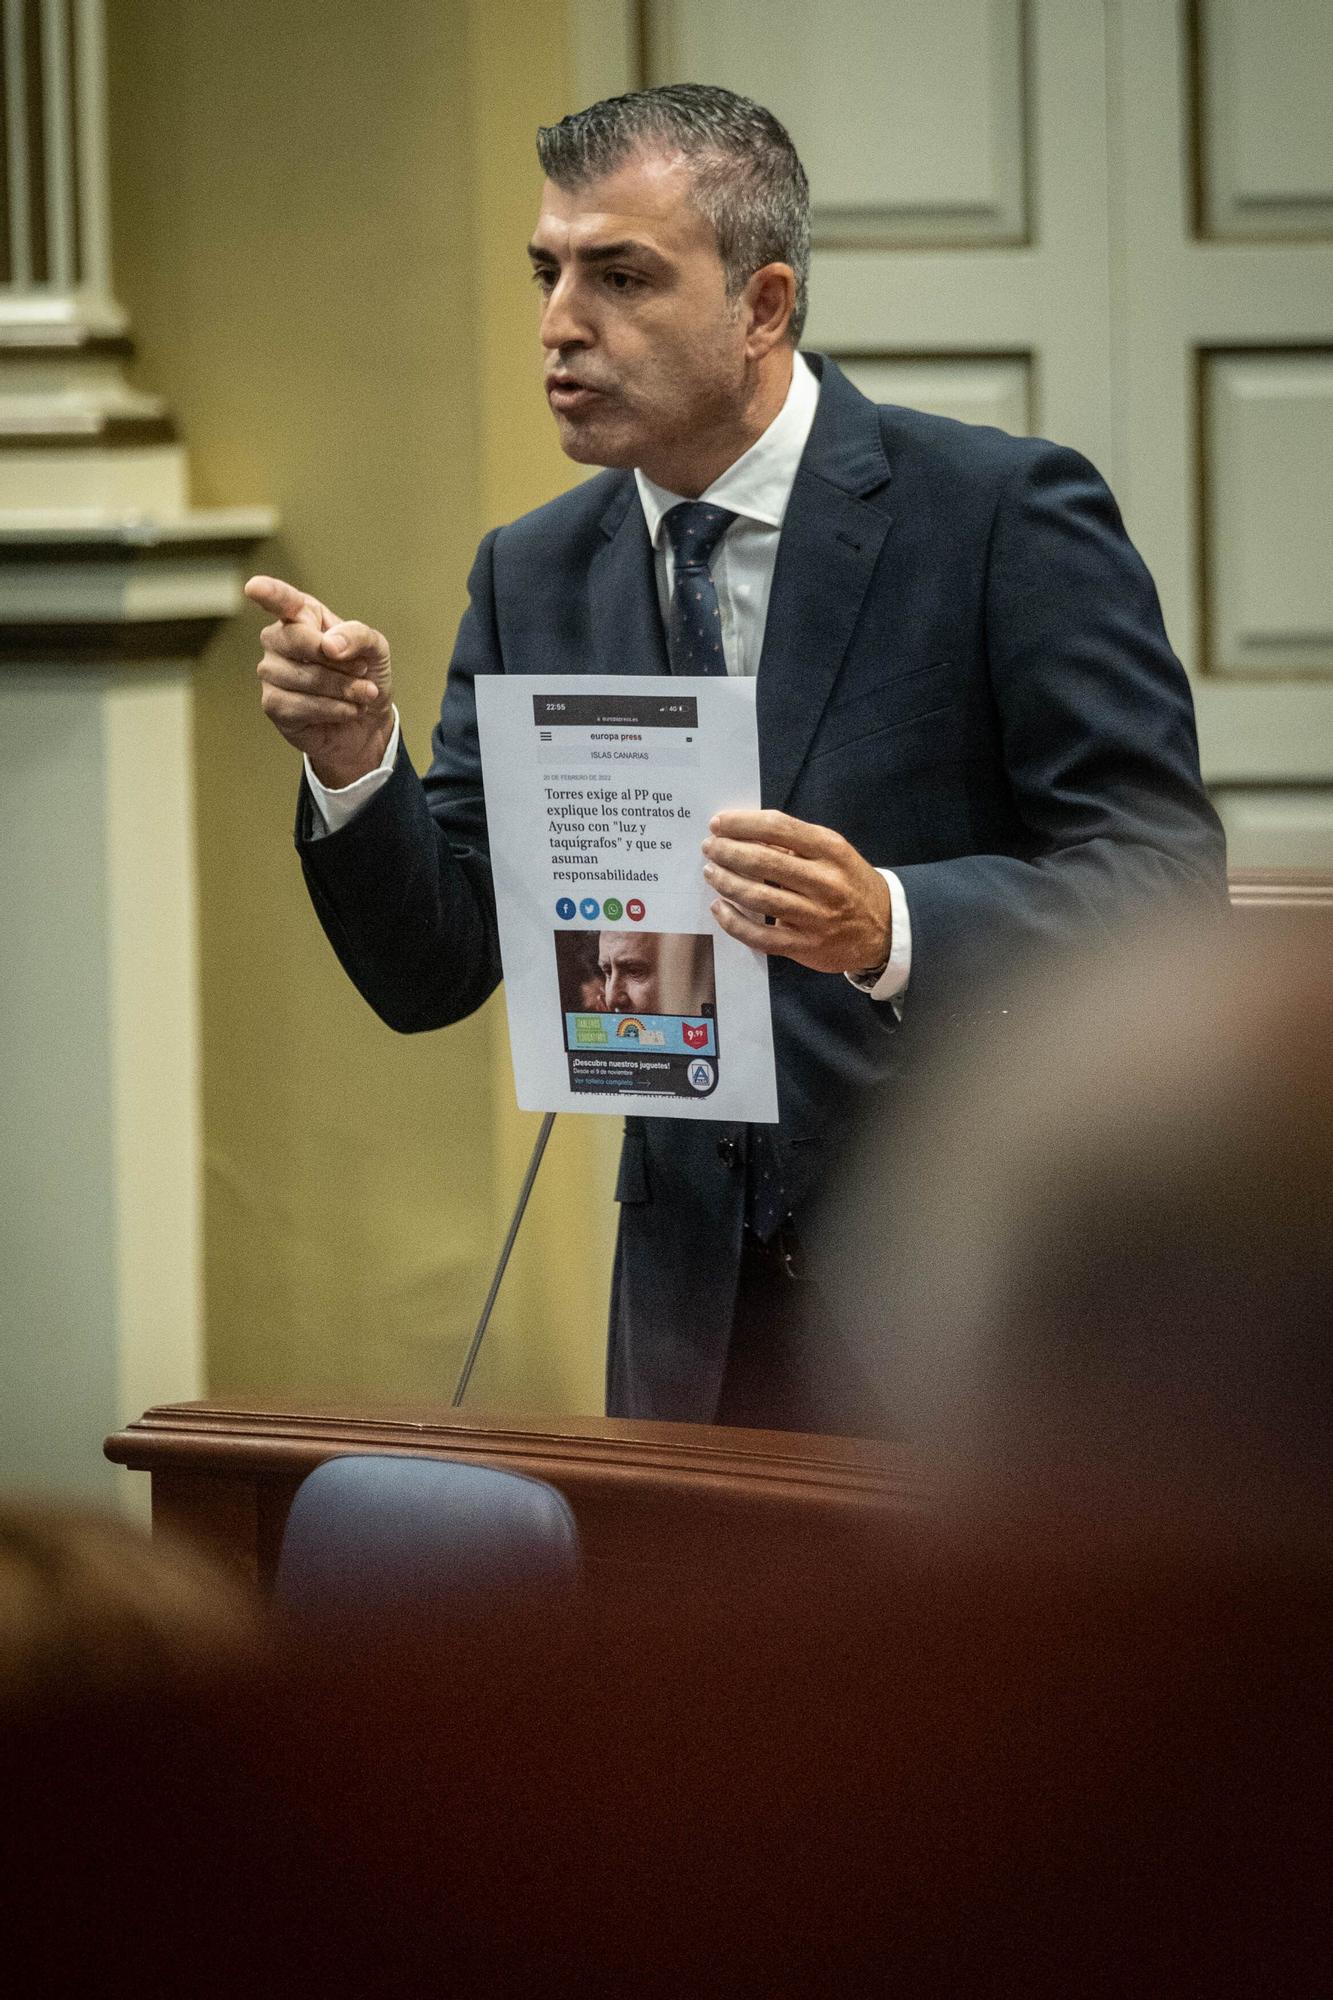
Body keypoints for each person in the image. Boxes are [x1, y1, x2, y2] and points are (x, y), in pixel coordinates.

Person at [248, 84, 1226, 1431]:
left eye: (621, 276)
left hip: (967, 1295)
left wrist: (885, 919)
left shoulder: (996, 514)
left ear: (761, 306)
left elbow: (1160, 885)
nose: (558, 325)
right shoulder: (536, 572)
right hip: (691, 1328)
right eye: (547, 273)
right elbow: (439, 967)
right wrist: (358, 763)